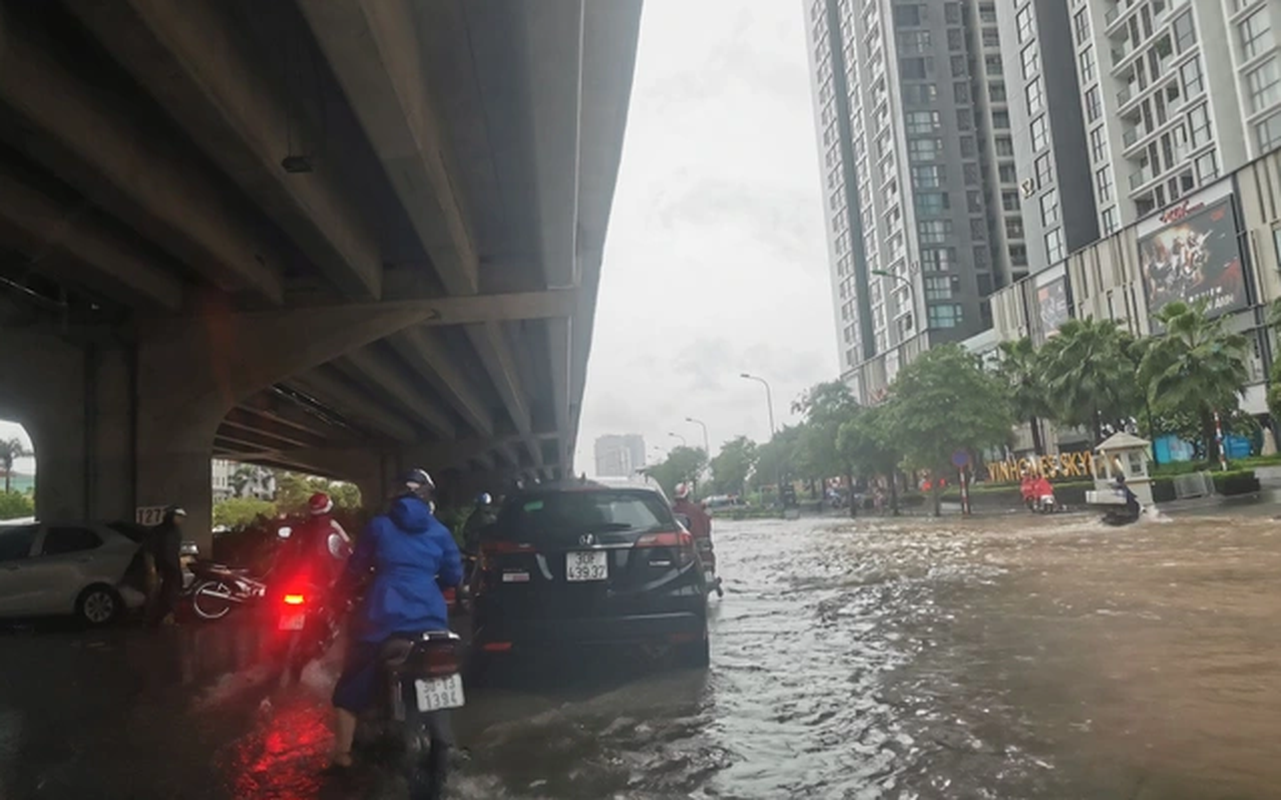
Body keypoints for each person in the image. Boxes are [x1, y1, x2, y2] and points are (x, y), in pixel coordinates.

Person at [329, 468, 463, 771]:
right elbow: (454, 575)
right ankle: (445, 741)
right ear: (427, 496)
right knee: (441, 672)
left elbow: (356, 567)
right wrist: (429, 588)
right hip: (431, 621)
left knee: (353, 680)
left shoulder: (379, 526)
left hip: (383, 617)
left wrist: (339, 593)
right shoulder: (440, 531)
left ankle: (342, 755)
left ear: (395, 495)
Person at [278, 492, 351, 587]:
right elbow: (347, 544)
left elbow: (288, 549)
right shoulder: (332, 525)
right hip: (330, 576)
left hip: (303, 574)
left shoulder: (302, 527)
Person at [147, 505, 186, 627]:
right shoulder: (158, 531)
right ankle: (155, 619)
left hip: (173, 566)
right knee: (159, 593)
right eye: (178, 517)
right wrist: (152, 568)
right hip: (161, 567)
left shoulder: (177, 532)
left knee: (173, 591)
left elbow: (176, 550)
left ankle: (168, 618)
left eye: (182, 517)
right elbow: (149, 550)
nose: (180, 520)